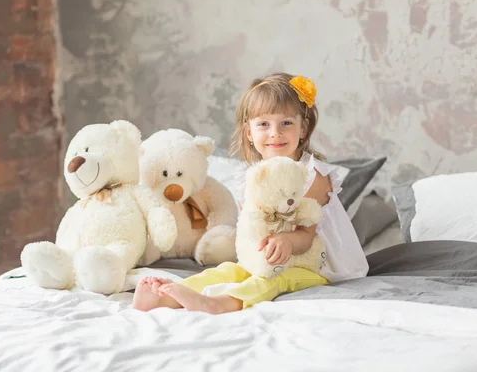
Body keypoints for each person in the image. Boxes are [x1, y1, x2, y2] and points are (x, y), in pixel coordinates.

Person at [132, 72, 369, 314]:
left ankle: (222, 303)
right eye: (264, 124)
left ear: (303, 128)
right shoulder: (254, 177)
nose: (275, 132)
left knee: (274, 280)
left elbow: (306, 235)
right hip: (269, 259)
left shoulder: (313, 174)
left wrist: (285, 240)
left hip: (318, 266)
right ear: (249, 133)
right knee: (228, 270)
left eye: (286, 123)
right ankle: (168, 295)